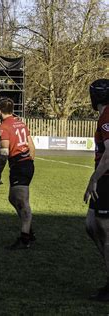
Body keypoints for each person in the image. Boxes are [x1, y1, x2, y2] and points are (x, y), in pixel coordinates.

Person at [0, 98, 36, 250]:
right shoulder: (21, 123)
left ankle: (26, 238)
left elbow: (4, 153)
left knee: (23, 203)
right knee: (13, 198)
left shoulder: (4, 126)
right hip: (25, 164)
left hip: (20, 165)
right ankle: (28, 229)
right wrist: (30, 161)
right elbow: (31, 145)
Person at [84, 78, 109, 301]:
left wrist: (94, 179)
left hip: (107, 179)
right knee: (91, 225)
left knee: (104, 230)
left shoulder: (107, 116)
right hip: (102, 179)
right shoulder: (104, 115)